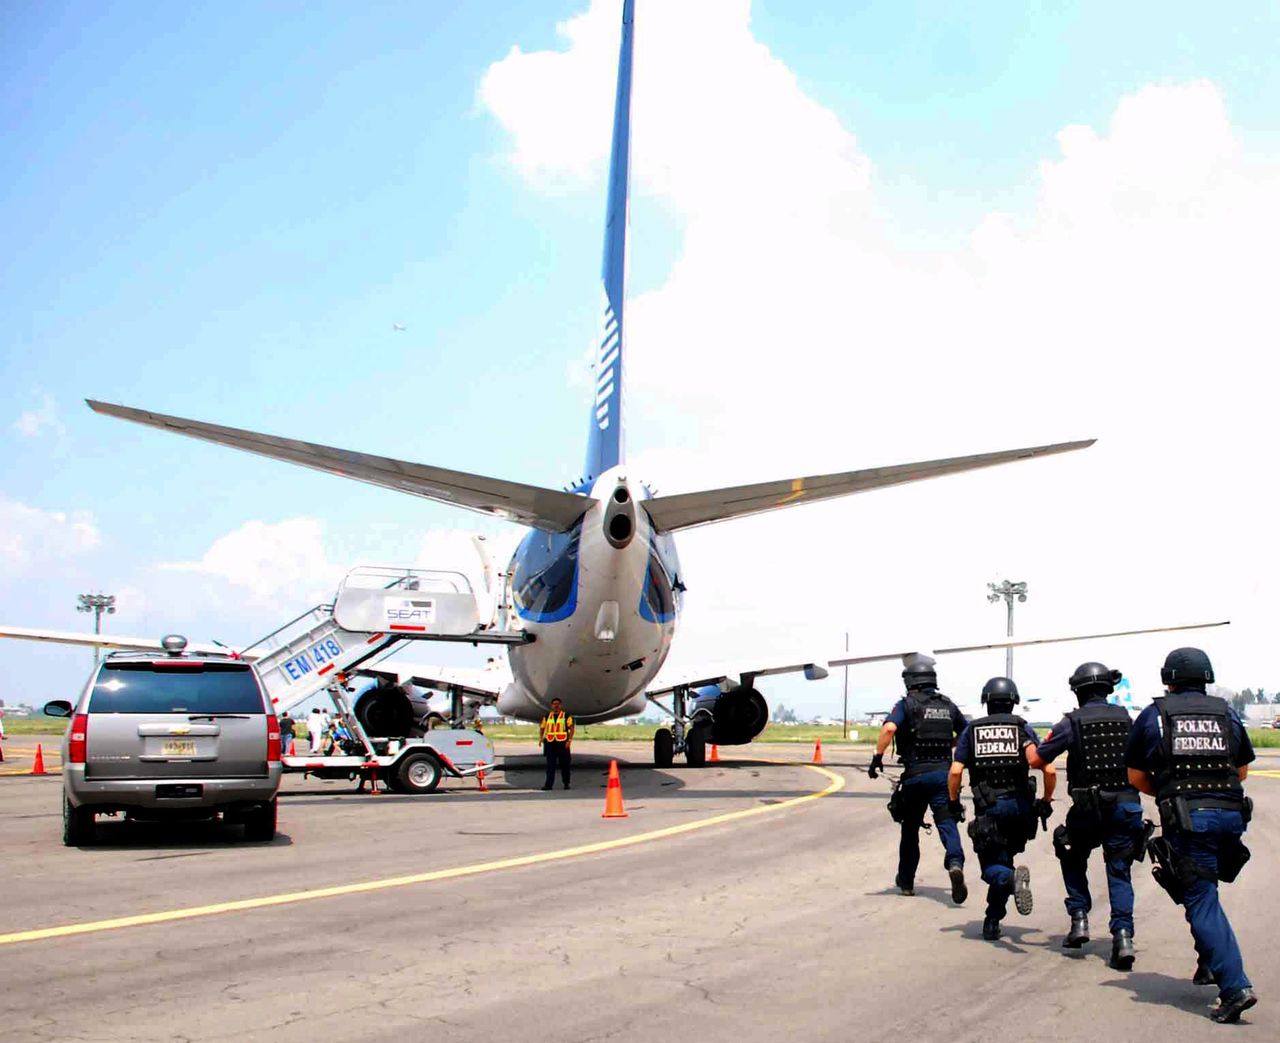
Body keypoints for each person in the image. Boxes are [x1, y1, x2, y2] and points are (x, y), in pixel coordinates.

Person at [1126, 647, 1257, 1023]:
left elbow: (1136, 777)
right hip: (1231, 815)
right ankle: (1209, 963)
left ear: (1168, 679)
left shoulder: (1156, 715)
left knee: (1199, 897)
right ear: (1207, 677)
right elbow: (1243, 769)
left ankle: (1235, 988)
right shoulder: (1226, 712)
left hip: (1189, 820)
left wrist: (1171, 794)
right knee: (1202, 890)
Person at [1027, 662, 1147, 969]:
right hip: (1125, 806)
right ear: (1108, 689)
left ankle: (1079, 918)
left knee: (1068, 847)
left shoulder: (1071, 722)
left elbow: (1039, 759)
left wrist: (1028, 744)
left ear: (1078, 692)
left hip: (1088, 809)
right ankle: (1122, 938)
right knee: (1119, 870)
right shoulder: (1128, 719)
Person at [949, 677, 1056, 941]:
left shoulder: (972, 731)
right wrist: (1046, 800)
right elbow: (1047, 767)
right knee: (1004, 859)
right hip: (1021, 809)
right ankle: (992, 919)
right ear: (1013, 702)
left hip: (990, 809)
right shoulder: (1022, 728)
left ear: (986, 702)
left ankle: (1010, 882)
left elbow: (955, 771)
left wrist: (953, 801)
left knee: (993, 868)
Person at [868, 653, 969, 903]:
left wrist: (877, 757)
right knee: (947, 822)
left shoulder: (906, 704)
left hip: (915, 775)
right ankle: (955, 863)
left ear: (910, 681)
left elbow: (889, 728)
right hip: (943, 775)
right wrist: (952, 744)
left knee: (910, 828)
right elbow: (967, 731)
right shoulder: (948, 705)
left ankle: (906, 882)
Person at [539, 698, 574, 790]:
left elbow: (571, 728)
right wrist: (541, 738)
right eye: (554, 704)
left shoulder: (566, 716)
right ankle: (548, 785)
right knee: (550, 766)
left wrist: (569, 740)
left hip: (562, 744)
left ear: (560, 705)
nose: (556, 705)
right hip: (550, 744)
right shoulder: (547, 716)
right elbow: (542, 728)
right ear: (551, 705)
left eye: (558, 704)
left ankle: (566, 783)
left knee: (565, 765)